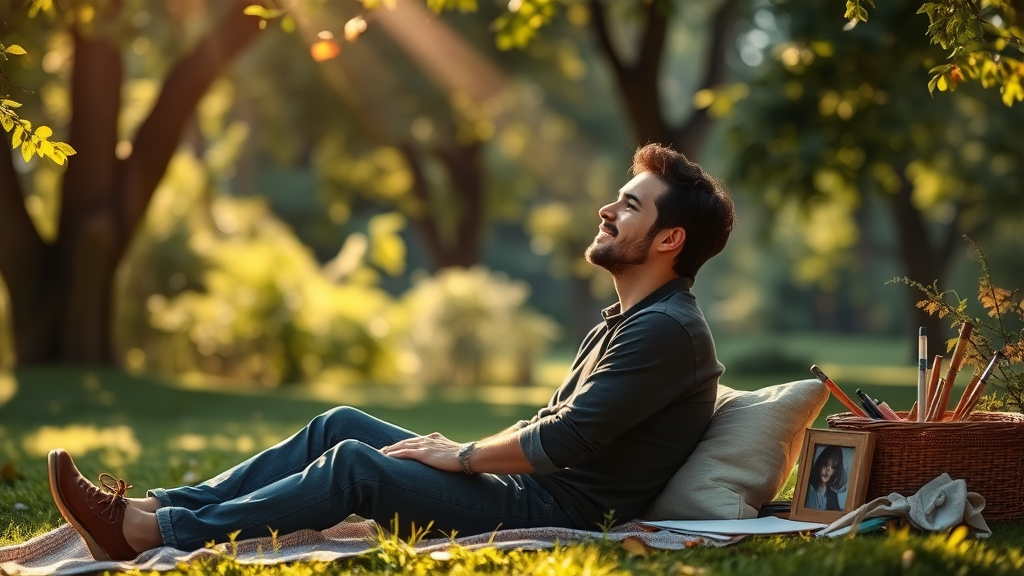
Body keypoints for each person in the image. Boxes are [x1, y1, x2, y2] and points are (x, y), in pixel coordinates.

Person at [47, 143, 736, 561]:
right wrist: (453, 451)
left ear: (670, 239)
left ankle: (156, 533)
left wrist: (459, 458)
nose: (606, 211)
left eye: (628, 205)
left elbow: (569, 437)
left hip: (552, 514)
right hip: (528, 491)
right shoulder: (629, 318)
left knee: (356, 467)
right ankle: (152, 506)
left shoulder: (667, 331)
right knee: (340, 424)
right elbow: (550, 429)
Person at [803, 445, 845, 511]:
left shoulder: (832, 495)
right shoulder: (807, 489)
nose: (828, 470)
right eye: (826, 465)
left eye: (833, 467)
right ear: (820, 464)